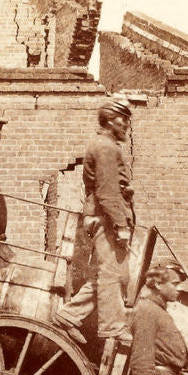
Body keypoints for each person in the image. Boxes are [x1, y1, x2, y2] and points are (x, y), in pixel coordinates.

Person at [53, 97, 135, 344]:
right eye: (123, 119)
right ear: (109, 120)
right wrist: (121, 225)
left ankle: (68, 315)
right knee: (111, 274)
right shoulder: (106, 147)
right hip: (106, 218)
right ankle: (112, 327)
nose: (127, 125)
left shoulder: (105, 145)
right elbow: (107, 191)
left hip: (103, 216)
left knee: (111, 275)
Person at [129, 261, 188, 375]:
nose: (179, 289)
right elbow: (141, 360)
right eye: (175, 284)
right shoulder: (147, 311)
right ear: (158, 284)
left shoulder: (157, 310)